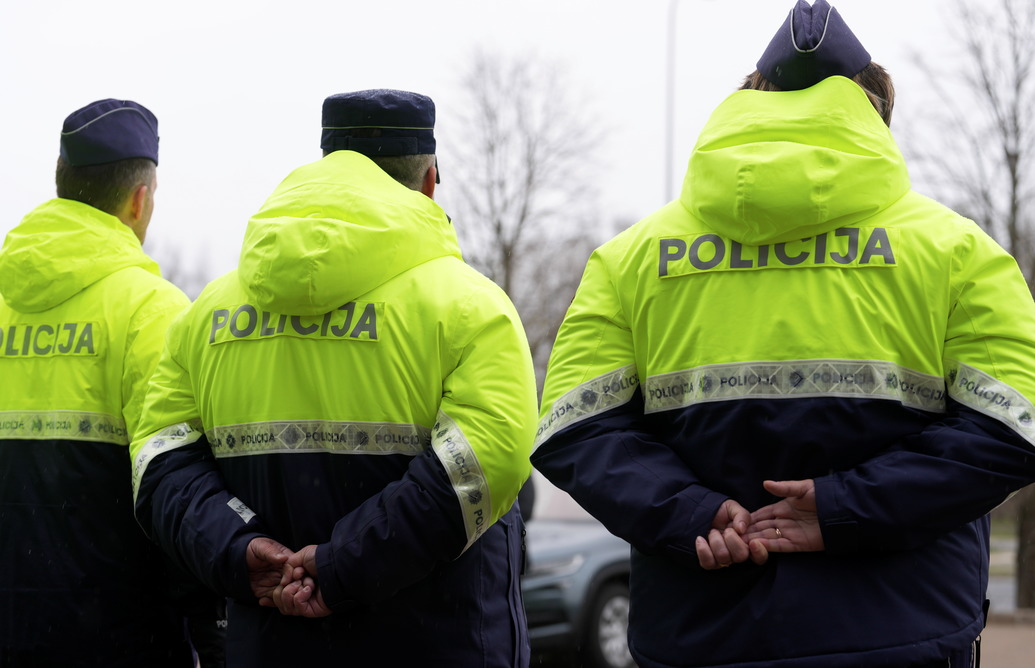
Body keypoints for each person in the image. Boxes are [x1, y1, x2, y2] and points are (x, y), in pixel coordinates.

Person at [530, 2, 1035, 667]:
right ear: (873, 117)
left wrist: (690, 514)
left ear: (750, 99)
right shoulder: (957, 254)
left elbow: (571, 427)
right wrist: (843, 508)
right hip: (902, 632)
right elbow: (1015, 426)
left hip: (700, 635)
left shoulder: (630, 260)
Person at [129, 89, 538, 667]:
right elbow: (487, 464)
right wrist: (340, 565)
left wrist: (238, 547)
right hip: (439, 644)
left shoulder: (204, 317)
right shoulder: (473, 308)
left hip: (268, 648)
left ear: (327, 164)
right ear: (429, 182)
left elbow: (158, 456)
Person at [0, 99, 223, 666]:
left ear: (62, 180)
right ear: (139, 199)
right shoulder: (153, 311)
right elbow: (178, 491)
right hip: (120, 637)